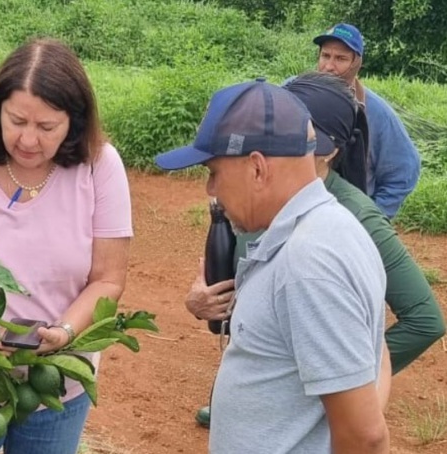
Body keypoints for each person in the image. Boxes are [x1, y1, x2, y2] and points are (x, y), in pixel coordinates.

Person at [0, 38, 133, 454]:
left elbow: (108, 278)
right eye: (17, 120)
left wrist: (64, 332)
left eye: (47, 127)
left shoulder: (99, 166)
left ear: (74, 122)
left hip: (52, 385)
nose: (28, 139)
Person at [192, 72, 446, 428]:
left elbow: (425, 320)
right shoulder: (262, 201)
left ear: (330, 151)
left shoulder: (355, 219)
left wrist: (349, 382)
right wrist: (203, 303)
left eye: (301, 132)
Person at [156, 78, 389, 453]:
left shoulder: (308, 263)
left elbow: (365, 437)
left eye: (214, 173)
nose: (210, 191)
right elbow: (376, 353)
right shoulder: (329, 228)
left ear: (258, 169)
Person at [312, 23, 420, 218]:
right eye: (325, 56)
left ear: (356, 63)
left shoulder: (377, 113)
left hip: (347, 220)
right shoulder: (294, 93)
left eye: (340, 59)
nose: (329, 66)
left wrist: (371, 219)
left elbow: (406, 169)